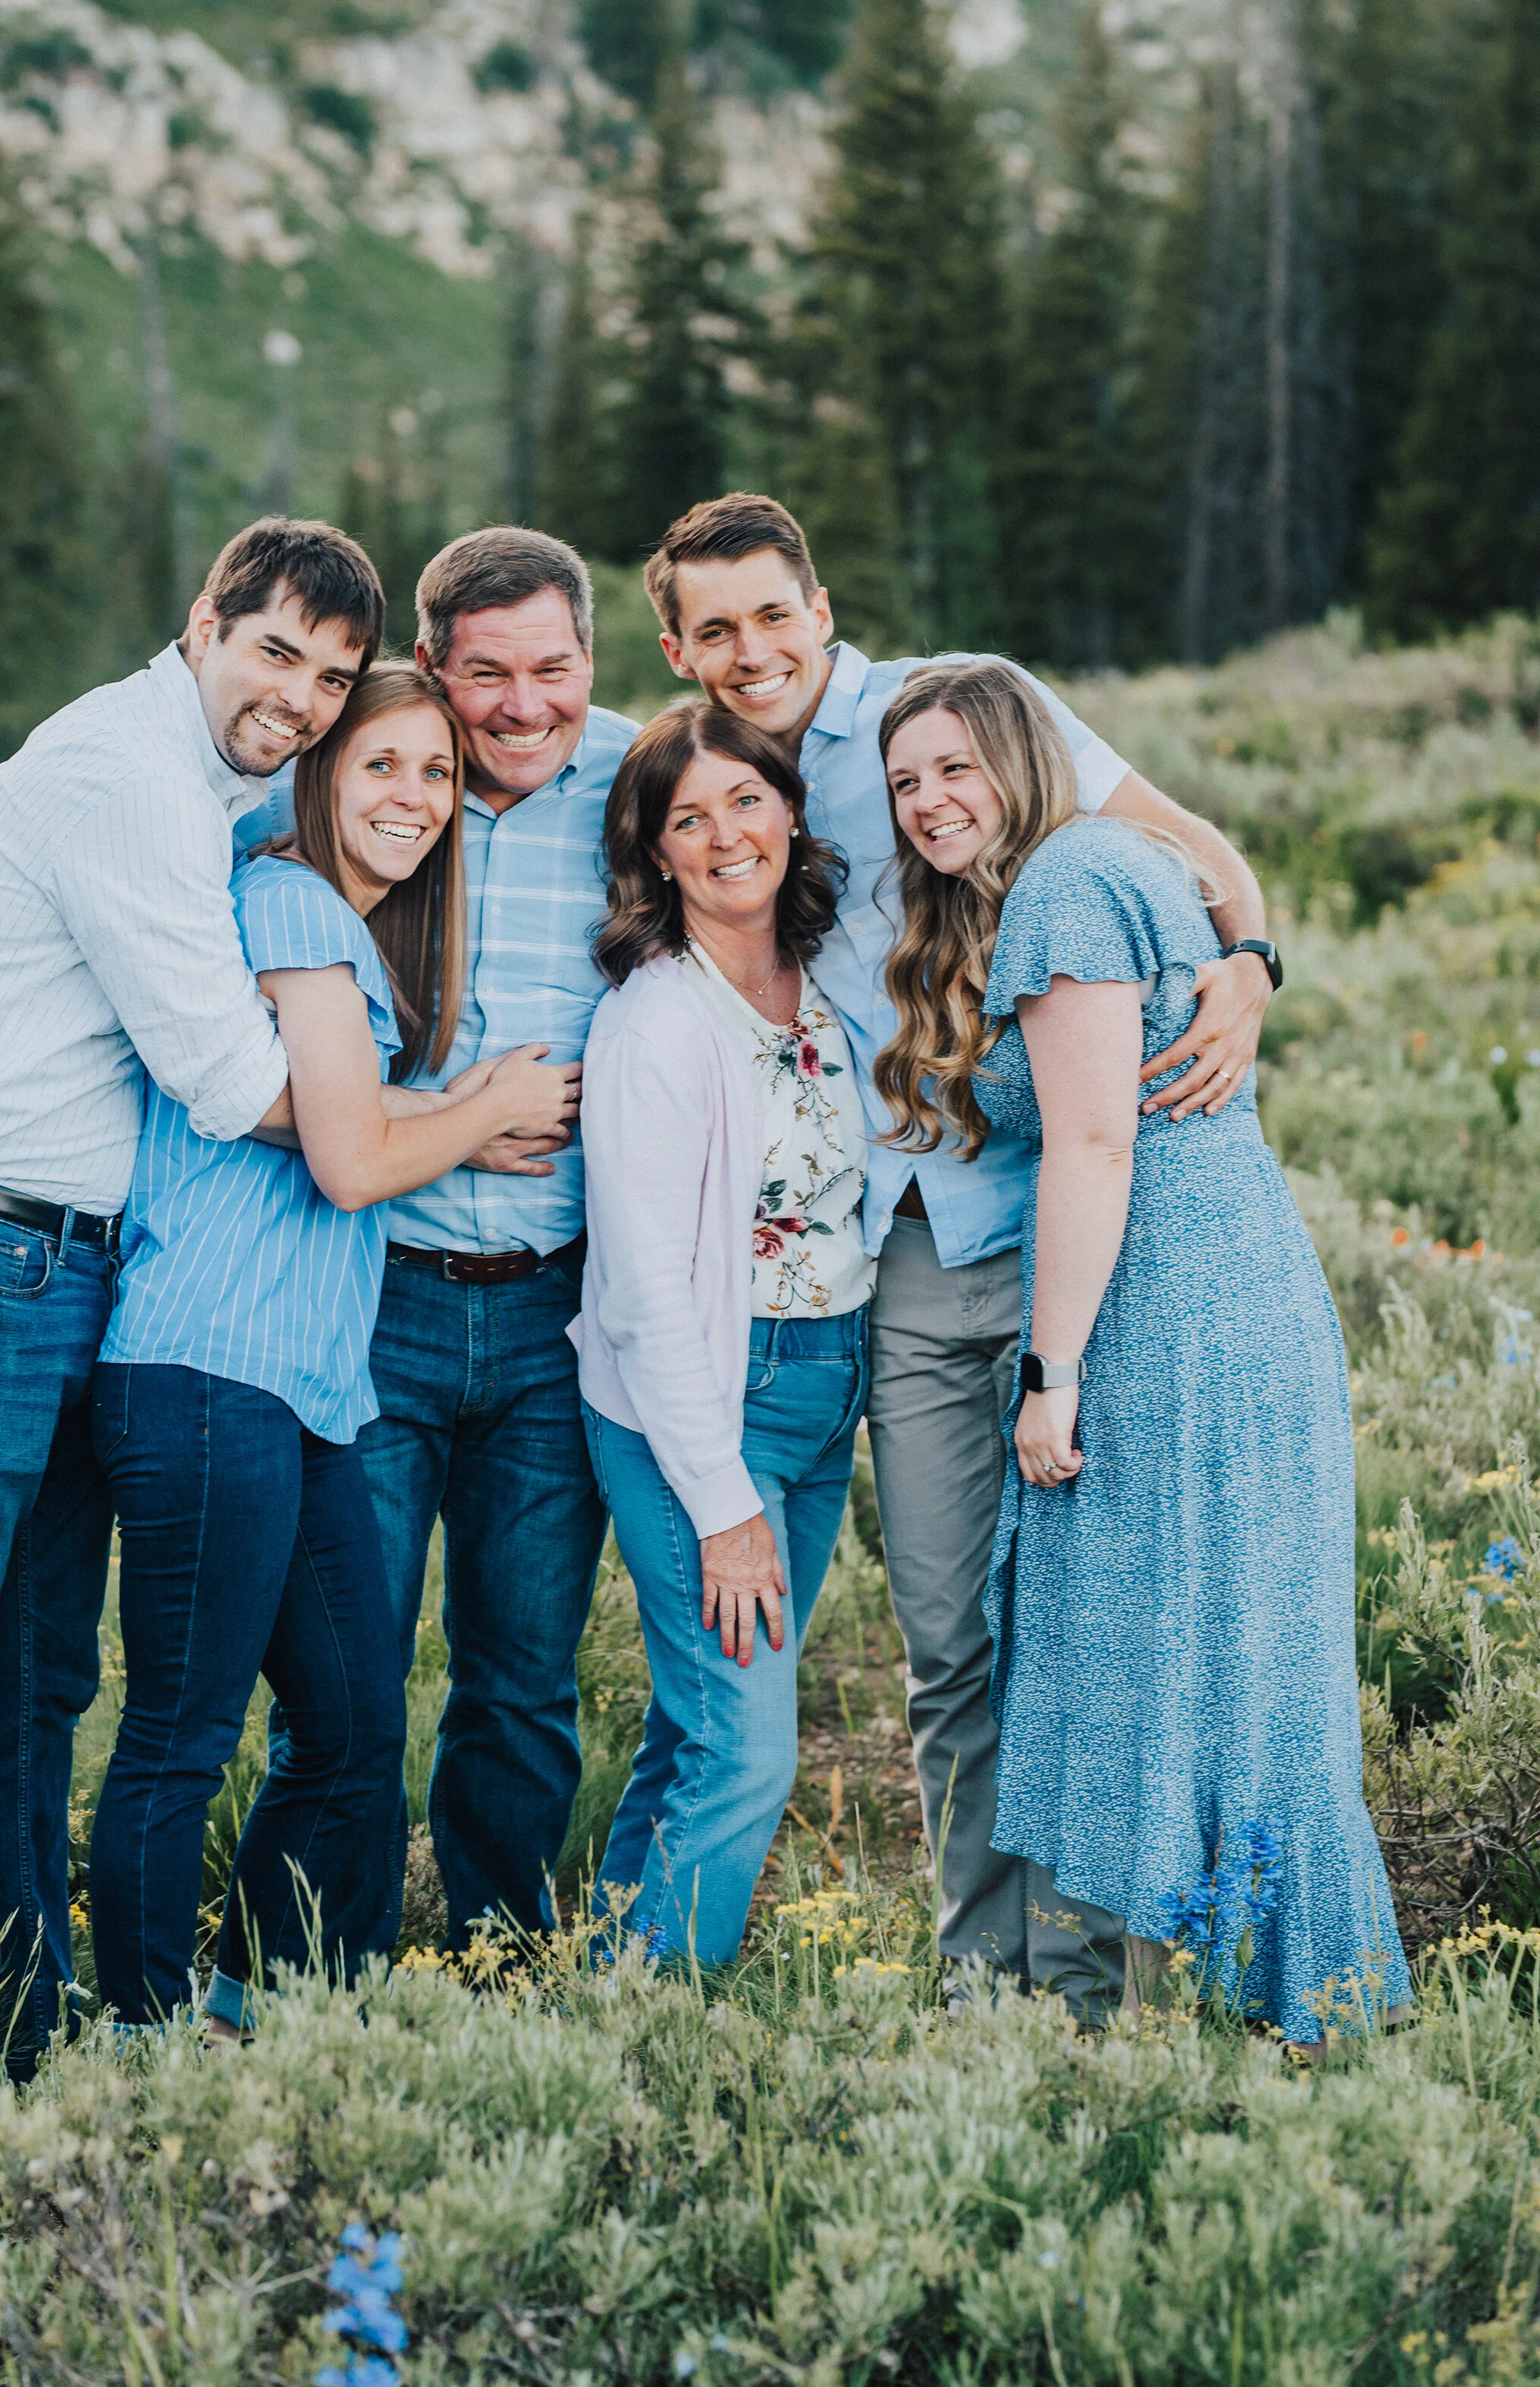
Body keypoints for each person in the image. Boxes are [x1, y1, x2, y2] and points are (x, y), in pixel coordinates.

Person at [646, 492, 1279, 2016]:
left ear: (818, 604)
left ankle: (1088, 1986)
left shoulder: (961, 716)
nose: (750, 652)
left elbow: (1193, 850)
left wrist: (1251, 961)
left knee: (1083, 1624)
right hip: (910, 1260)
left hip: (1082, 1240)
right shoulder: (717, 778)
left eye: (772, 615)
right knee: (950, 1638)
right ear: (677, 646)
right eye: (713, 630)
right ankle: (985, 1981)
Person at [0, 518, 382, 2072]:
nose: (303, 700)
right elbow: (224, 1077)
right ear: (204, 620)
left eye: (334, 678)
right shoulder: (129, 776)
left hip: (62, 1270)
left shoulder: (212, 775)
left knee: (40, 1676)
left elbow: (368, 783)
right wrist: (417, 1125)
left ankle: (12, 2016)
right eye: (277, 652)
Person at [875, 659, 1409, 2040]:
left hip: (1170, 1299)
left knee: (1153, 1643)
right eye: (906, 783)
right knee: (1237, 1651)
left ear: (1025, 757)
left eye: (955, 767)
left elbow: (1099, 1142)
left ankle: (1192, 2004)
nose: (931, 802)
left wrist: (1050, 1376)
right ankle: (1283, 2001)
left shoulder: (1065, 883)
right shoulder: (1117, 865)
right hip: (1235, 1278)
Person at [89, 663, 579, 2029]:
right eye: (383, 765)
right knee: (180, 1737)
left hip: (305, 1393)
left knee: (358, 1725)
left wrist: (465, 1094)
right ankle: (138, 2032)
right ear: (319, 774)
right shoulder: (294, 900)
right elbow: (354, 1161)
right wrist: (483, 1113)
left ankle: (260, 2003)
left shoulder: (342, 932)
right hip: (201, 1373)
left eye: (437, 772)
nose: (416, 797)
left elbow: (340, 1122)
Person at [239, 527, 635, 1950]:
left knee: (522, 1672)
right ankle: (309, 1965)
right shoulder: (380, 780)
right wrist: (468, 1109)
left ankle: (500, 1951)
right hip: (376, 1294)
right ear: (431, 669)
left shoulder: (648, 784)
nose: (523, 705)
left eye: (553, 669)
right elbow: (207, 883)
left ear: (592, 659)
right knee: (344, 1675)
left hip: (554, 1308)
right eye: (486, 675)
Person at [572, 703, 871, 1964]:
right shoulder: (657, 1022)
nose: (724, 835)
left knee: (698, 1722)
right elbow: (642, 1293)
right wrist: (722, 1501)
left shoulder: (838, 973)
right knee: (749, 1750)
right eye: (686, 819)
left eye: (744, 801)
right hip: (700, 1404)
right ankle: (657, 2028)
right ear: (656, 854)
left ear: (791, 809)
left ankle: (604, 1970)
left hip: (823, 1382)